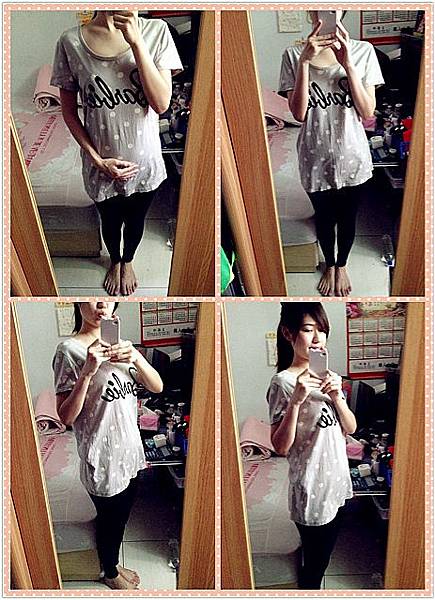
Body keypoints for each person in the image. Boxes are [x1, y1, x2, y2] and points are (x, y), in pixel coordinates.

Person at [51, 11, 183, 296]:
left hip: (145, 164)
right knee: (110, 222)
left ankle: (128, 261)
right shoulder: (70, 41)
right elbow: (69, 111)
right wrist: (97, 160)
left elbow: (161, 104)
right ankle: (114, 260)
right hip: (99, 165)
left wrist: (136, 42)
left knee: (136, 220)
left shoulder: (157, 31)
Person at [52, 302, 163, 589]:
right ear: (78, 302)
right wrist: (87, 372)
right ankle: (110, 573)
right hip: (102, 457)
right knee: (110, 520)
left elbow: (157, 387)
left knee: (122, 518)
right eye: (92, 297)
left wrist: (136, 357)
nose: (101, 303)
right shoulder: (69, 351)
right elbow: (65, 417)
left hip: (131, 451)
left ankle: (112, 563)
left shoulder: (120, 347)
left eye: (107, 299)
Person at [279, 11, 384, 296]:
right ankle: (329, 263)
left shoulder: (363, 51)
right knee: (324, 216)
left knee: (348, 216)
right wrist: (305, 62)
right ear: (311, 12)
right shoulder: (293, 54)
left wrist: (347, 63)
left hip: (353, 155)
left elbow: (367, 111)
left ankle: (342, 265)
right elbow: (299, 114)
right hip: (314, 155)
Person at [267, 302, 356, 589]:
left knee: (321, 555)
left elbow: (351, 428)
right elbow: (280, 447)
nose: (318, 338)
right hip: (312, 485)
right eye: (308, 330)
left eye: (323, 330)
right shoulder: (283, 383)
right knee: (317, 564)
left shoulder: (330, 378)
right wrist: (296, 402)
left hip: (337, 480)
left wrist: (338, 397)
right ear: (288, 333)